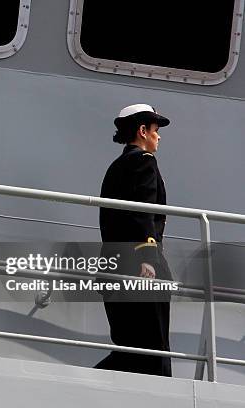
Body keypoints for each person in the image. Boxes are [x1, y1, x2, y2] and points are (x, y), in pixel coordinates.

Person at [94, 104, 172, 376]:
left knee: (129, 350)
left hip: (113, 265)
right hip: (139, 266)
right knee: (154, 352)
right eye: (156, 130)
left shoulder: (115, 168)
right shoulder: (144, 162)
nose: (158, 137)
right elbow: (144, 211)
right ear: (142, 131)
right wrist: (148, 258)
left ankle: (81, 388)